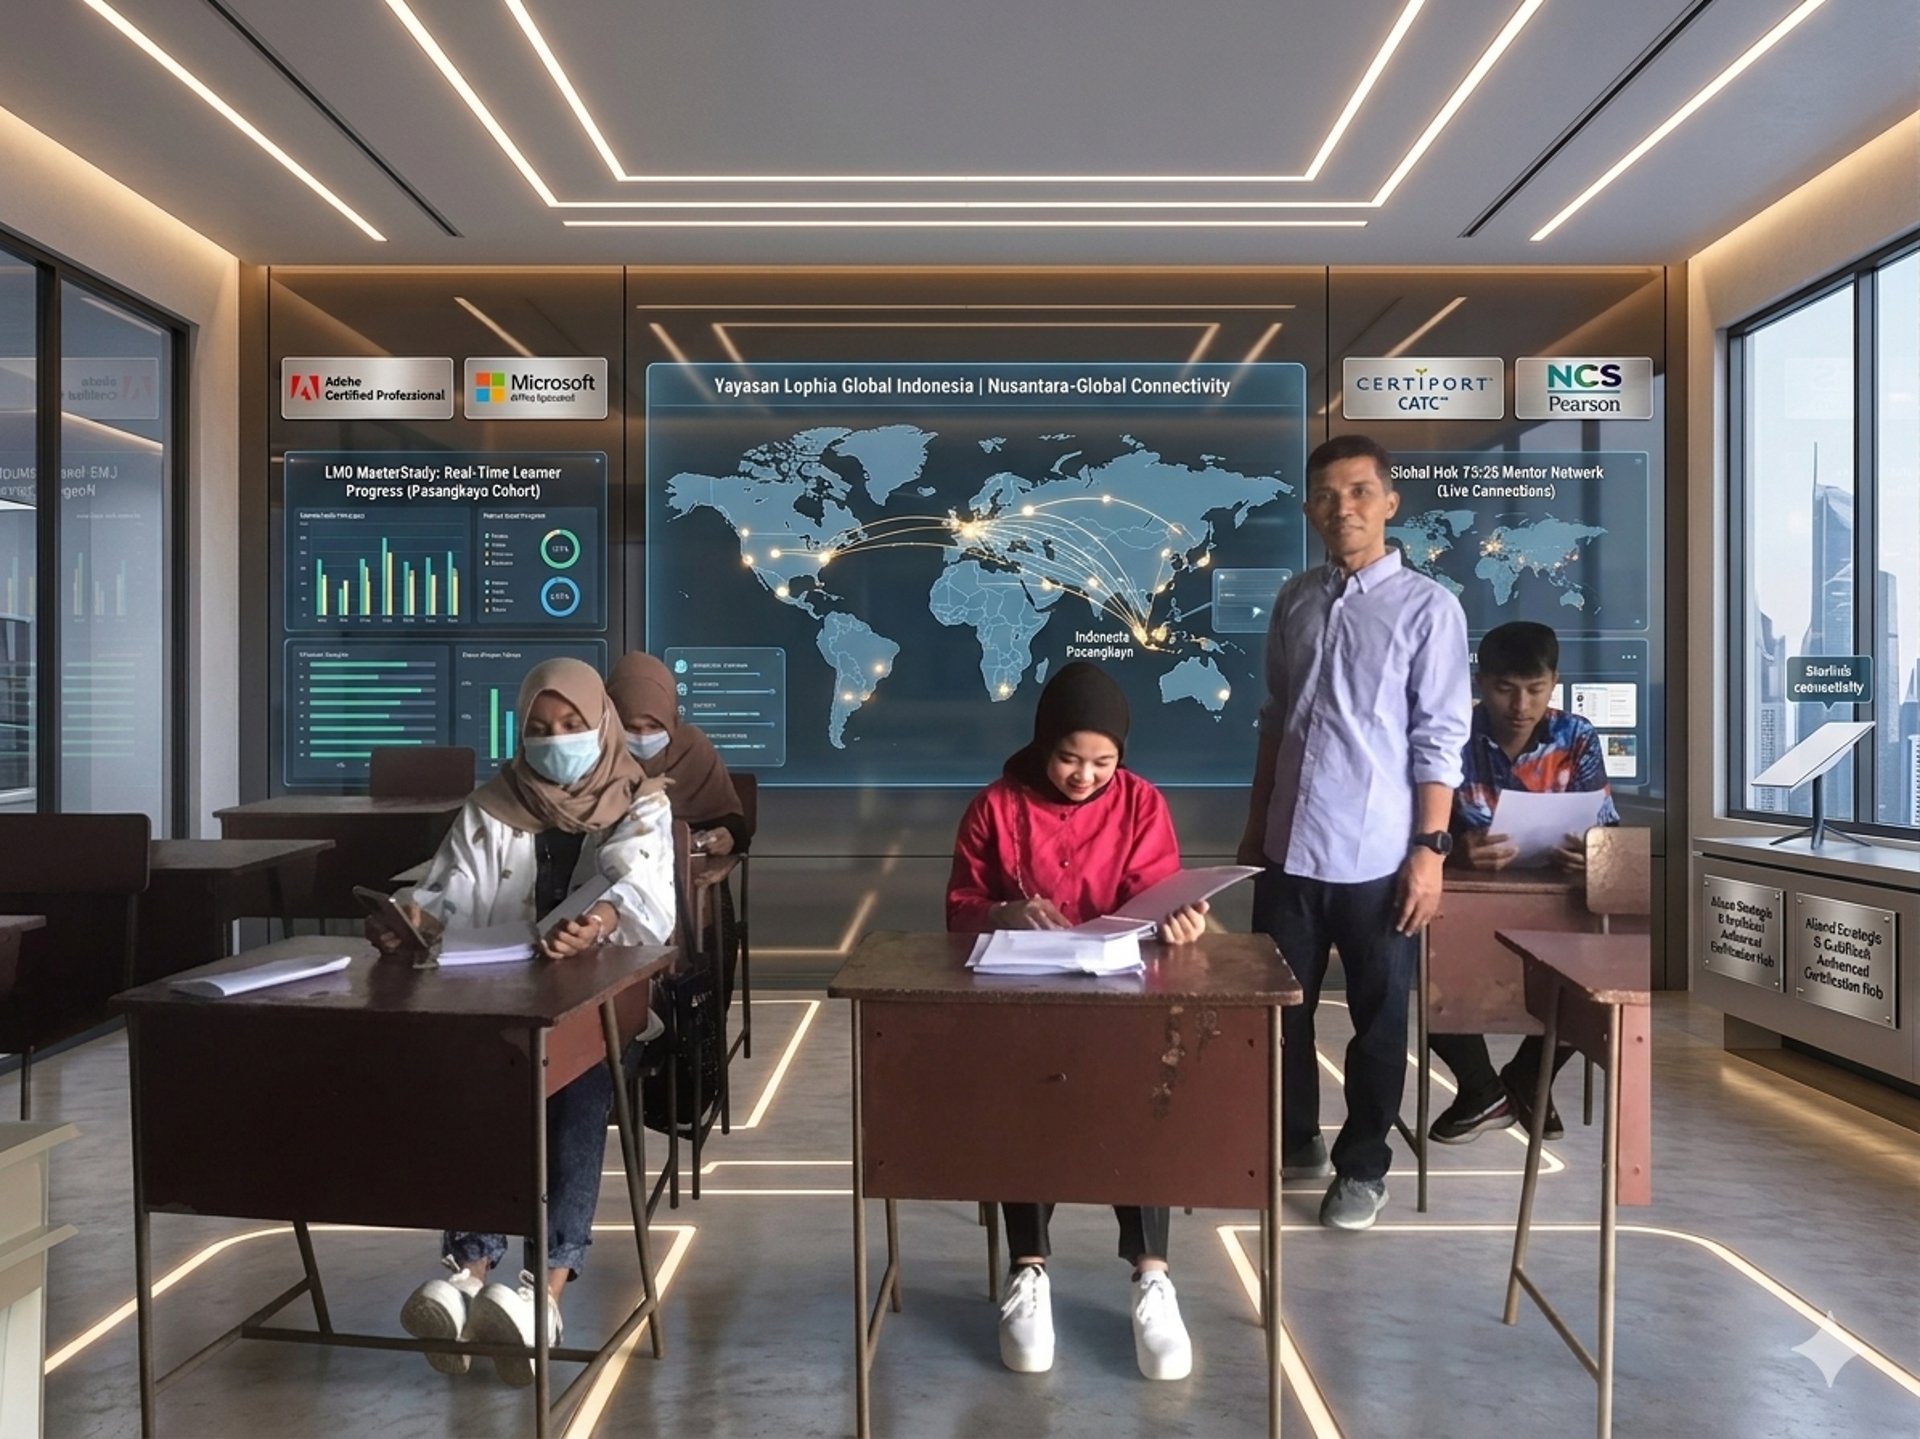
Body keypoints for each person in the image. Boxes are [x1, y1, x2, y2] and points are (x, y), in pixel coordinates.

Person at [372, 658, 676, 1385]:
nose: (555, 739)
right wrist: (412, 920)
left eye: (571, 724)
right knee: (478, 1085)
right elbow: (448, 890)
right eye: (539, 727)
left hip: (601, 1009)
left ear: (600, 723)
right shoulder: (493, 804)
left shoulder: (640, 800)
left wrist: (599, 923)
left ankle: (547, 1291)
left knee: (578, 1089)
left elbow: (645, 891)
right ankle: (468, 1274)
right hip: (503, 1002)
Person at [946, 661, 1208, 1381]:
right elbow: (959, 908)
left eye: (1102, 763)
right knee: (1025, 1105)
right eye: (1068, 758)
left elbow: (1158, 895)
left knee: (1145, 1104)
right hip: (1026, 1003)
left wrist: (1179, 923)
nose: (1084, 776)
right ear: (1042, 743)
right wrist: (1003, 911)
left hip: (1123, 1000)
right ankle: (1028, 1268)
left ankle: (1152, 1273)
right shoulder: (994, 806)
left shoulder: (1142, 803)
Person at [1239, 433, 1471, 1232]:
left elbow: (1439, 739)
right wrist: (1254, 828)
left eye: (1361, 491)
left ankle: (1364, 1165)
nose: (1344, 508)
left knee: (1379, 1020)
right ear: (1310, 509)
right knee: (1279, 1011)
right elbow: (1276, 720)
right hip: (1287, 847)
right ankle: (1296, 1137)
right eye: (1327, 495)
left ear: (1390, 502)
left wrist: (1430, 851)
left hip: (1379, 855)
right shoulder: (1295, 600)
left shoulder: (1429, 609)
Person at [1427, 621, 1621, 1145]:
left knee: (1590, 981)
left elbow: (1607, 828)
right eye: (1505, 689)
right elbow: (1414, 829)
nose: (1521, 705)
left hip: (1554, 901)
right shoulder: (1451, 736)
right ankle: (1482, 1087)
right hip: (1463, 905)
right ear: (1481, 683)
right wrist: (1454, 848)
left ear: (1554, 682)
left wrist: (1593, 853)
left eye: (1536, 689)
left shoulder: (1575, 736)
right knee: (1418, 973)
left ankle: (1527, 1081)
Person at [605, 651, 752, 860]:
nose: (643, 737)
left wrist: (727, 836)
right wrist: (637, 799)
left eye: (654, 726)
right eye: (631, 727)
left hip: (689, 871)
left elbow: (734, 825)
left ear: (671, 720)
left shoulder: (692, 748)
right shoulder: (595, 755)